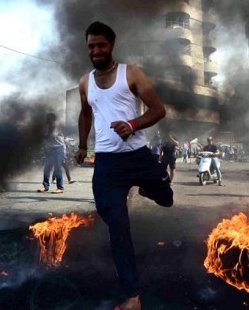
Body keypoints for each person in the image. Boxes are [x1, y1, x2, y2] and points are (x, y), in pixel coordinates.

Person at [74, 21, 173, 310]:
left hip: (137, 156)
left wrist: (132, 124)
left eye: (101, 45)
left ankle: (149, 188)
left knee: (166, 199)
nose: (96, 50)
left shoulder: (131, 73)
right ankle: (133, 295)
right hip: (107, 163)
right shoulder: (85, 82)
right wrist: (82, 146)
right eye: (91, 46)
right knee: (117, 226)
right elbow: (85, 115)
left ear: (111, 45)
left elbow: (158, 109)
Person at [37, 113, 66, 194]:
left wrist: (44, 132)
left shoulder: (56, 126)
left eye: (48, 119)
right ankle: (45, 186)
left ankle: (60, 187)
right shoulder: (47, 126)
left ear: (52, 119)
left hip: (58, 149)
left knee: (57, 169)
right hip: (49, 149)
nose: (47, 120)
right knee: (47, 168)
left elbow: (51, 135)